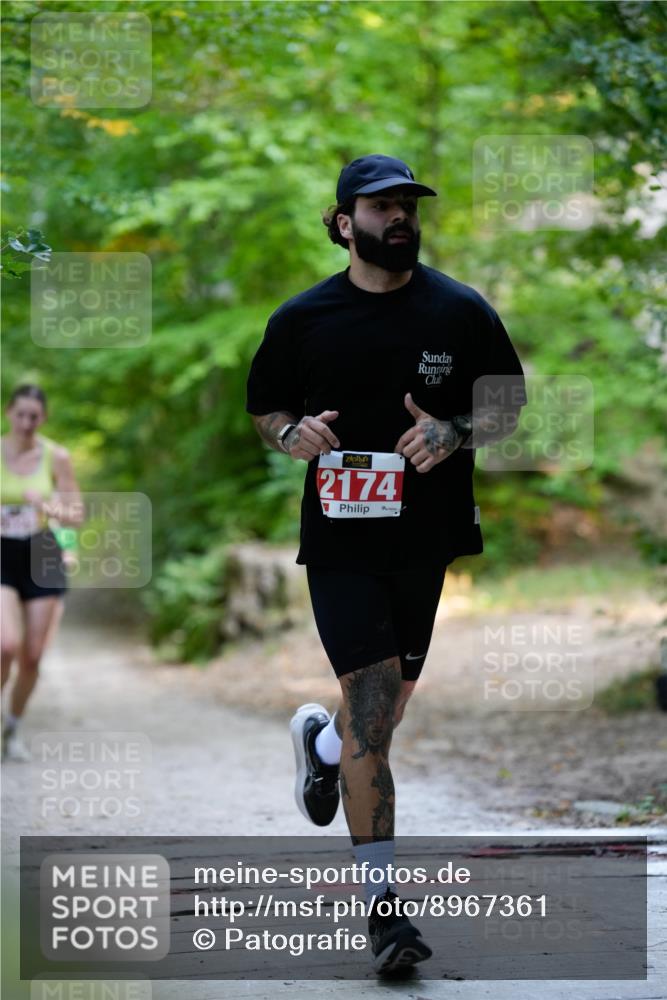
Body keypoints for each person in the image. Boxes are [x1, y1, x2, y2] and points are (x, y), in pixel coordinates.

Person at [246, 154, 526, 974]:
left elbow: (507, 405)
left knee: (384, 711)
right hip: (340, 540)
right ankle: (385, 917)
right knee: (372, 708)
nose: (399, 216)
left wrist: (455, 432)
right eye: (380, 206)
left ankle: (321, 747)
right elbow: (268, 406)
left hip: (425, 535)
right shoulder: (302, 320)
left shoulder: (458, 310)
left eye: (406, 204)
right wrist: (290, 434)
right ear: (343, 223)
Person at [1, 384, 83, 761]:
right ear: (8, 413)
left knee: (32, 656)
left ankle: (12, 726)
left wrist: (47, 505)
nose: (27, 422)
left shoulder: (56, 456)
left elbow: (75, 514)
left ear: (43, 418)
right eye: (21, 414)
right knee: (5, 646)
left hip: (41, 549)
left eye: (34, 416)